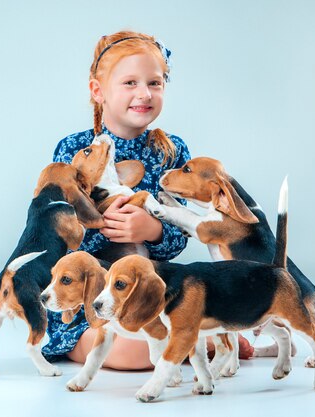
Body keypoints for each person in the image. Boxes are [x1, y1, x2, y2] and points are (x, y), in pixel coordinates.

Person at [42, 30, 252, 370]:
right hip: (91, 294)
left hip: (150, 288)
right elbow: (62, 231)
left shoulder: (171, 151)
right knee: (126, 353)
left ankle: (197, 335)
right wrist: (106, 228)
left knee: (172, 311)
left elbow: (180, 236)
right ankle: (200, 339)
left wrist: (152, 230)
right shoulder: (74, 150)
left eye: (155, 83)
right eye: (130, 83)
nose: (144, 93)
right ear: (98, 91)